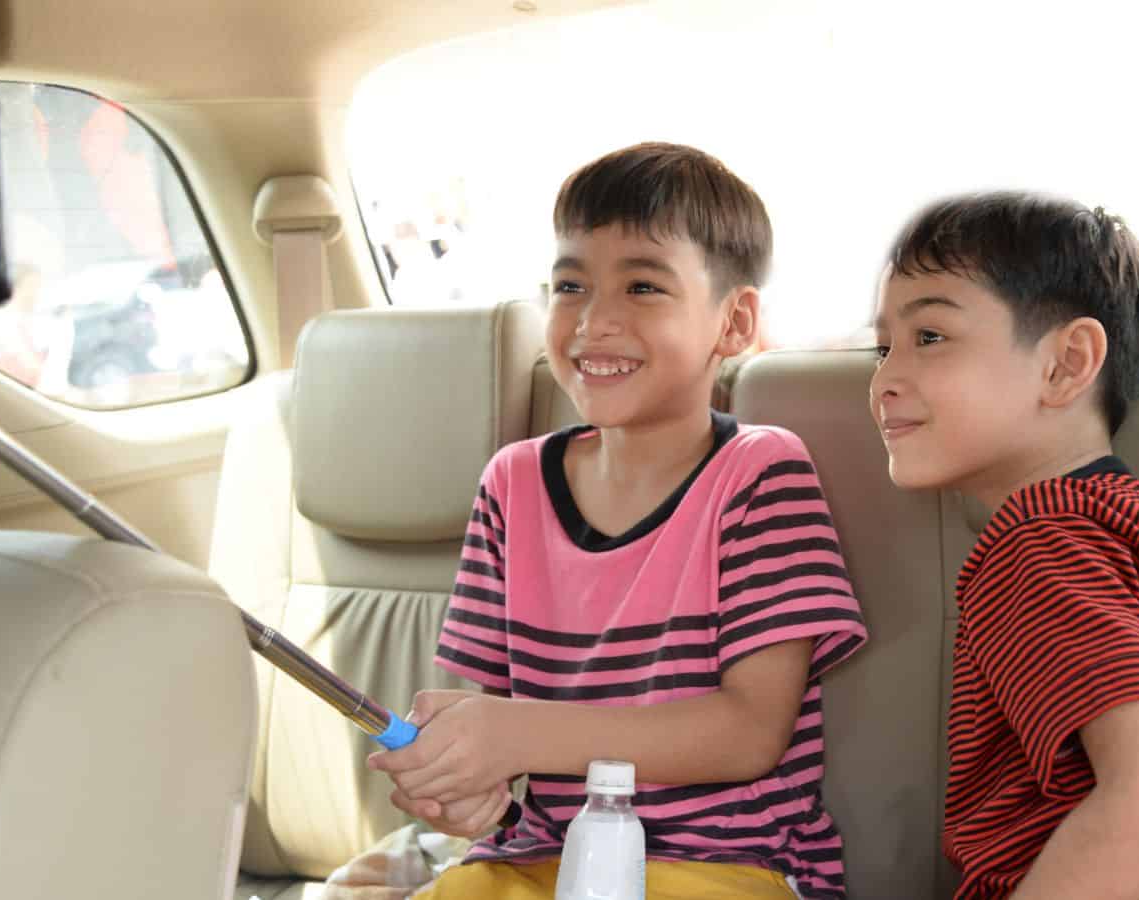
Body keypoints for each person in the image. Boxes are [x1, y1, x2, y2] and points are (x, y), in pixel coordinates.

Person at [368, 142, 869, 899]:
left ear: (733, 322)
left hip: (721, 867)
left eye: (642, 286)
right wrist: (467, 782)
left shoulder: (760, 472)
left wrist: (515, 733)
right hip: (533, 859)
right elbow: (494, 722)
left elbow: (749, 733)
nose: (594, 320)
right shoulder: (512, 484)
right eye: (570, 285)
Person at [870, 192, 1139, 899]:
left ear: (1066, 365)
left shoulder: (1037, 546)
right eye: (882, 348)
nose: (884, 380)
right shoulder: (1113, 522)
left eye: (930, 337)